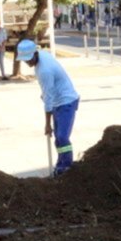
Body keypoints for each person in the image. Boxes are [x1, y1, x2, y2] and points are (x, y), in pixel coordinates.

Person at [16, 40, 80, 176]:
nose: (27, 63)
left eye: (28, 59)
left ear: (34, 54)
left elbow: (48, 100)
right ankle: (61, 165)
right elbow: (48, 95)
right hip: (58, 101)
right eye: (25, 60)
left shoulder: (44, 70)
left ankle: (67, 167)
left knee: (62, 137)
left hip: (66, 102)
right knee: (58, 138)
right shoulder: (42, 55)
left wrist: (47, 124)